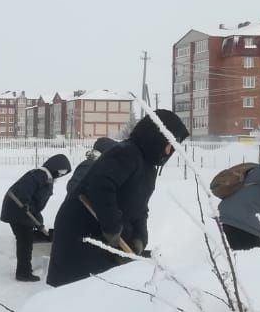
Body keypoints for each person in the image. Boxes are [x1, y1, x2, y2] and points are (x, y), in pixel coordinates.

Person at [47, 111, 190, 287]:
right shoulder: (126, 153)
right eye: (170, 144)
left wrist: (140, 237)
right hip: (83, 235)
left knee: (102, 295)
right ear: (156, 137)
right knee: (77, 295)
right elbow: (100, 186)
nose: (169, 151)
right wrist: (112, 227)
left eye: (173, 148)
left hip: (105, 240)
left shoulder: (147, 167)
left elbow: (140, 207)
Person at [0, 154, 71, 282]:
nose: (61, 174)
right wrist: (26, 204)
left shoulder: (47, 179)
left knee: (25, 240)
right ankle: (23, 273)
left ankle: (25, 269)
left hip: (21, 211)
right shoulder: (39, 174)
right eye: (61, 171)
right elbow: (24, 190)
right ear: (55, 166)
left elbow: (36, 204)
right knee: (24, 241)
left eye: (64, 173)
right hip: (17, 209)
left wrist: (39, 222)